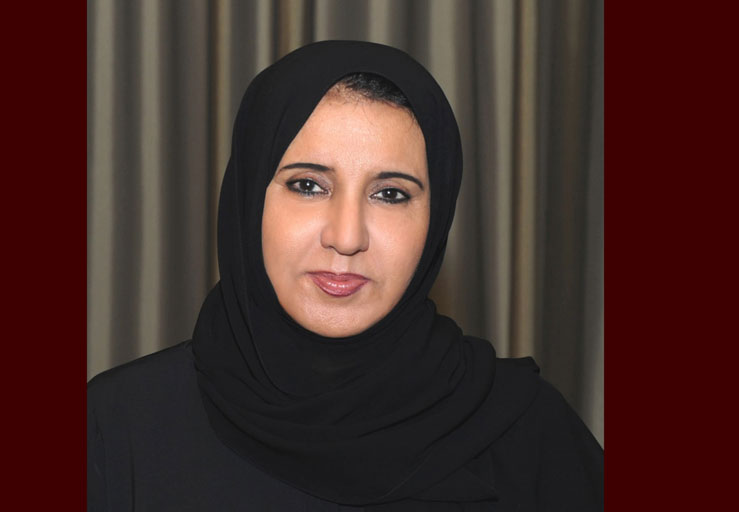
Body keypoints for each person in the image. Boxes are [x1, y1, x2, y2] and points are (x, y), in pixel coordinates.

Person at [88, 40, 603, 511]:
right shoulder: (118, 427)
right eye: (308, 185)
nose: (347, 236)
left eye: (390, 194)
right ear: (248, 198)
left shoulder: (528, 433)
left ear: (437, 218)